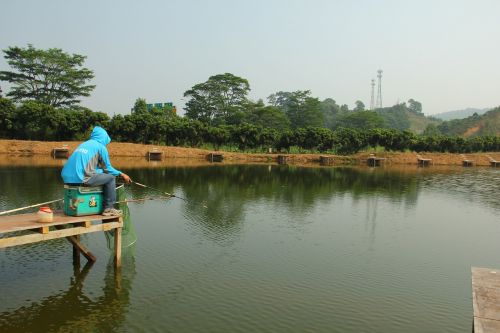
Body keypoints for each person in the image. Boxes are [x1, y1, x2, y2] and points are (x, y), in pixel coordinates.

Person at [61, 126, 131, 216]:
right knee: (110, 178)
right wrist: (122, 174)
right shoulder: (100, 147)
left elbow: (90, 167)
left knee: (102, 174)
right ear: (104, 138)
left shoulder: (84, 144)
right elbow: (108, 169)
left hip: (67, 179)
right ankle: (109, 208)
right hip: (81, 178)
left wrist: (100, 171)